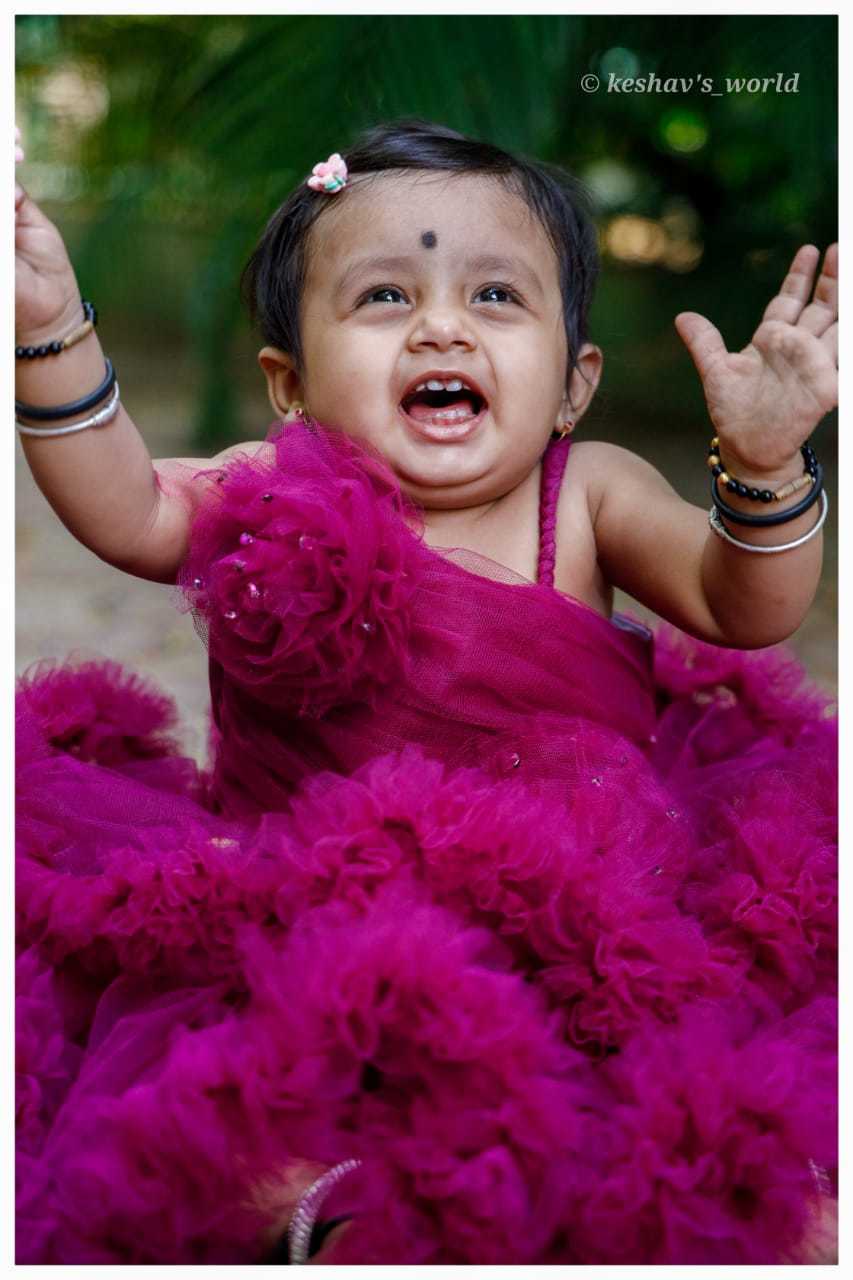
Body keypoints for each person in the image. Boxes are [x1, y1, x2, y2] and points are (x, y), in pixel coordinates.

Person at [15, 118, 837, 1265]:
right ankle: (337, 1202)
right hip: (304, 927)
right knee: (245, 1129)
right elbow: (131, 512)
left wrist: (761, 468)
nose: (442, 325)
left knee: (714, 1150)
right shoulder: (273, 483)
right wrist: (49, 327)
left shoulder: (587, 495)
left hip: (584, 937)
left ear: (574, 383)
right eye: (384, 297)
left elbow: (740, 604)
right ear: (289, 384)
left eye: (495, 296)